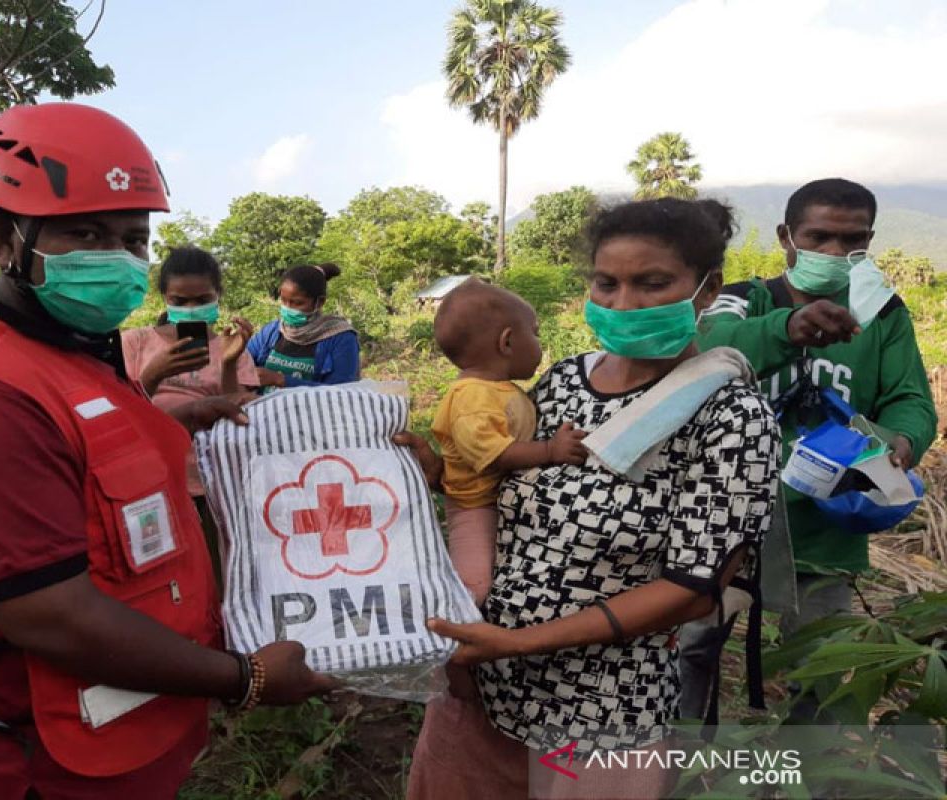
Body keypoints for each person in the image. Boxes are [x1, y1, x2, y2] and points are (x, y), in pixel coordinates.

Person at [0, 103, 335, 799]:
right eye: (85, 232)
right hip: (55, 765)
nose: (116, 259)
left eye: (131, 238)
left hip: (133, 737)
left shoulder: (74, 353)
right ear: (5, 238)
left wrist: (199, 414)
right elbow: (50, 614)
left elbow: (96, 463)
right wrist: (247, 679)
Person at [402, 199, 781, 800]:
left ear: (706, 290)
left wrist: (521, 641)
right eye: (607, 283)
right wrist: (431, 471)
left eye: (652, 283)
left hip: (601, 715)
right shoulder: (558, 383)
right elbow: (496, 493)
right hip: (477, 690)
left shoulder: (731, 418)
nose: (623, 303)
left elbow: (693, 588)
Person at [684, 178, 939, 719]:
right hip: (724, 519)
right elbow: (707, 352)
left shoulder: (880, 313)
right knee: (692, 653)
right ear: (786, 237)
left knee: (820, 669)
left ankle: (812, 777)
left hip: (826, 523)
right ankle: (680, 769)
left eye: (853, 242)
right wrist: (788, 328)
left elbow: (910, 398)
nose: (835, 254)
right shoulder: (745, 299)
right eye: (819, 237)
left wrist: (899, 442)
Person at [430, 278, 587, 604]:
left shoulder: (498, 388)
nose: (539, 342)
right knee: (474, 585)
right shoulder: (472, 398)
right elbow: (494, 454)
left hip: (499, 501)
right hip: (475, 507)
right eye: (536, 333)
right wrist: (550, 451)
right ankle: (454, 639)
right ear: (507, 342)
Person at [122, 246, 259, 581]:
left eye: (202, 299)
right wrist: (153, 374)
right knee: (160, 576)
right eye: (179, 301)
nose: (191, 309)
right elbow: (120, 414)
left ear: (218, 296)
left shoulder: (232, 347)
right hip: (152, 481)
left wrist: (227, 363)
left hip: (215, 483)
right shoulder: (136, 343)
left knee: (218, 572)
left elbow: (242, 416)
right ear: (164, 299)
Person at [248, 263, 360, 389]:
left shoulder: (341, 338)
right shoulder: (272, 331)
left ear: (320, 302)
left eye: (297, 303)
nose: (288, 308)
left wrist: (281, 380)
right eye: (284, 300)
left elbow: (342, 393)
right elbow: (243, 366)